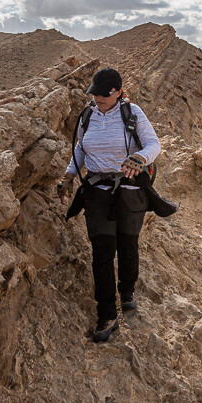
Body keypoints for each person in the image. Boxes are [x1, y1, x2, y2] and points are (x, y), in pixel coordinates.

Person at [57, 67, 161, 342]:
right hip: (97, 191)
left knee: (128, 244)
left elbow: (153, 144)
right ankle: (107, 314)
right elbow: (79, 148)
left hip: (128, 191)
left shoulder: (132, 113)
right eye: (95, 94)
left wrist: (139, 158)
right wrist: (68, 176)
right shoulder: (88, 115)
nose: (98, 99)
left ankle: (126, 292)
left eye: (104, 95)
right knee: (102, 253)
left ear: (117, 92)